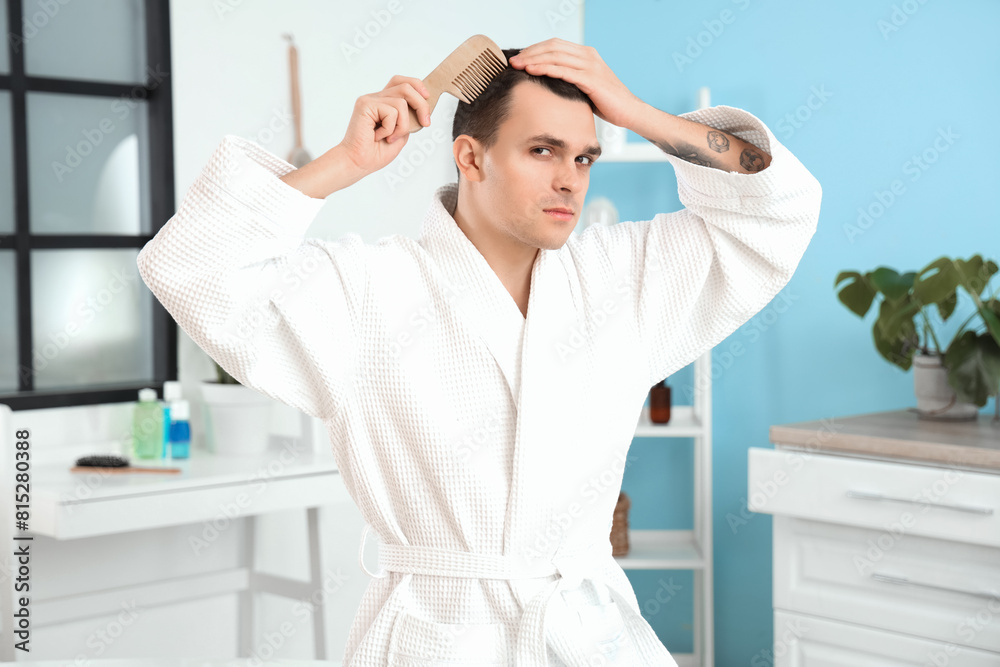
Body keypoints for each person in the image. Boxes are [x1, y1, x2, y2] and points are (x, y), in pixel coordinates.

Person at [137, 37, 821, 667]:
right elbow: (191, 270)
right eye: (542, 150)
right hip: (439, 633)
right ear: (470, 156)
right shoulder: (369, 291)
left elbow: (775, 211)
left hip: (586, 631)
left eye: (584, 157)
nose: (570, 180)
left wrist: (639, 113)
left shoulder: (623, 279)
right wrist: (345, 163)